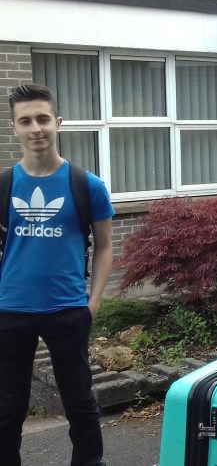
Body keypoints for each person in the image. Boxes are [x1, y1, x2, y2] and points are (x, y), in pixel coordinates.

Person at [0, 83, 114, 466]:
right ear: (14, 127)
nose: (35, 128)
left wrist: (92, 303)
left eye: (43, 119)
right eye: (25, 121)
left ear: (58, 122)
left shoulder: (87, 185)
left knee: (80, 404)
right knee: (7, 409)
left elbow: (105, 247)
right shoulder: (3, 186)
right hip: (10, 311)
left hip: (68, 309)